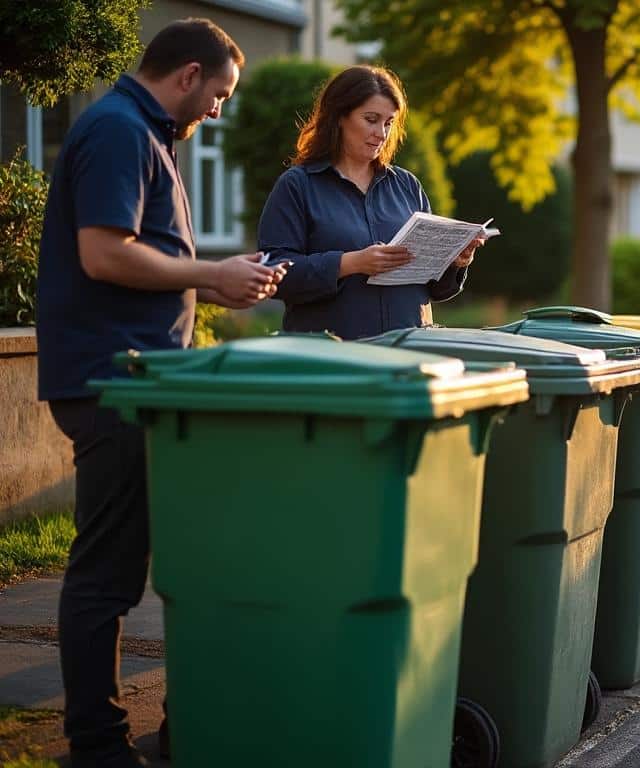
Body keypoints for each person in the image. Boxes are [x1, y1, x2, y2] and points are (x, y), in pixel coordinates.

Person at [35, 18, 284, 768]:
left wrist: (216, 280)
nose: (220, 110)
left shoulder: (142, 133)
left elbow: (143, 260)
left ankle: (163, 725)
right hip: (111, 382)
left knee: (138, 559)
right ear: (187, 76)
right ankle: (97, 744)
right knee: (106, 571)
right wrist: (211, 275)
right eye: (220, 93)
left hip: (139, 378)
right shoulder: (118, 130)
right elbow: (104, 254)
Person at [257, 65, 482, 340]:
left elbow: (435, 290)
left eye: (388, 122)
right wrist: (350, 263)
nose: (382, 133)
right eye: (371, 119)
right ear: (339, 116)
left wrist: (457, 261)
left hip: (408, 353)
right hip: (333, 359)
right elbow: (272, 272)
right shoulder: (298, 185)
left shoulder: (406, 185)